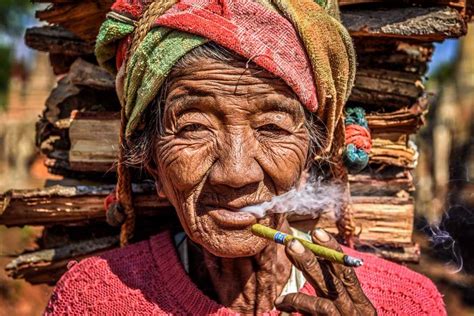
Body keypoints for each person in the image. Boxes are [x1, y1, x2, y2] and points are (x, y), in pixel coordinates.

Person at [44, 0, 446, 315]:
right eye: (194, 127)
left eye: (272, 128)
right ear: (151, 160)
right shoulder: (95, 299)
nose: (235, 173)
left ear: (311, 155)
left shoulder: (404, 305)